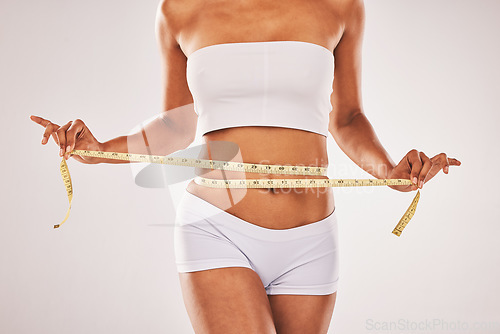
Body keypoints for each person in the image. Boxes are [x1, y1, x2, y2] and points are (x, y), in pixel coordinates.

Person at [30, 0, 461, 333]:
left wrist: (387, 170)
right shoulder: (179, 9)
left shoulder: (340, 5)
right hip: (218, 228)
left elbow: (346, 117)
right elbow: (176, 125)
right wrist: (102, 148)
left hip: (311, 239)